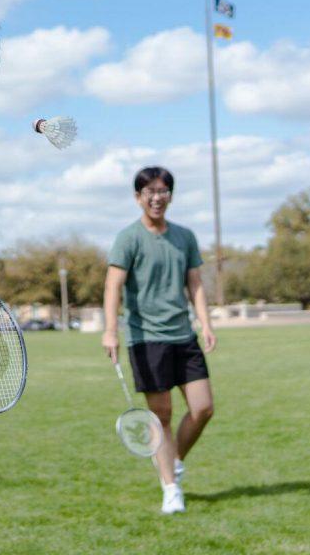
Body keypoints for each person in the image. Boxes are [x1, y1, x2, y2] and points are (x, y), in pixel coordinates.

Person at [101, 166, 217, 515]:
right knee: (162, 416)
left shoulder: (184, 237)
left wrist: (205, 323)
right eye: (149, 191)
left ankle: (173, 460)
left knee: (203, 408)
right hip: (146, 338)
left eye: (163, 191)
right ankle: (170, 488)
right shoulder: (128, 238)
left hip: (183, 335)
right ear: (138, 197)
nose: (156, 197)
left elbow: (194, 283)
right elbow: (113, 286)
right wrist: (110, 330)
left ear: (170, 195)